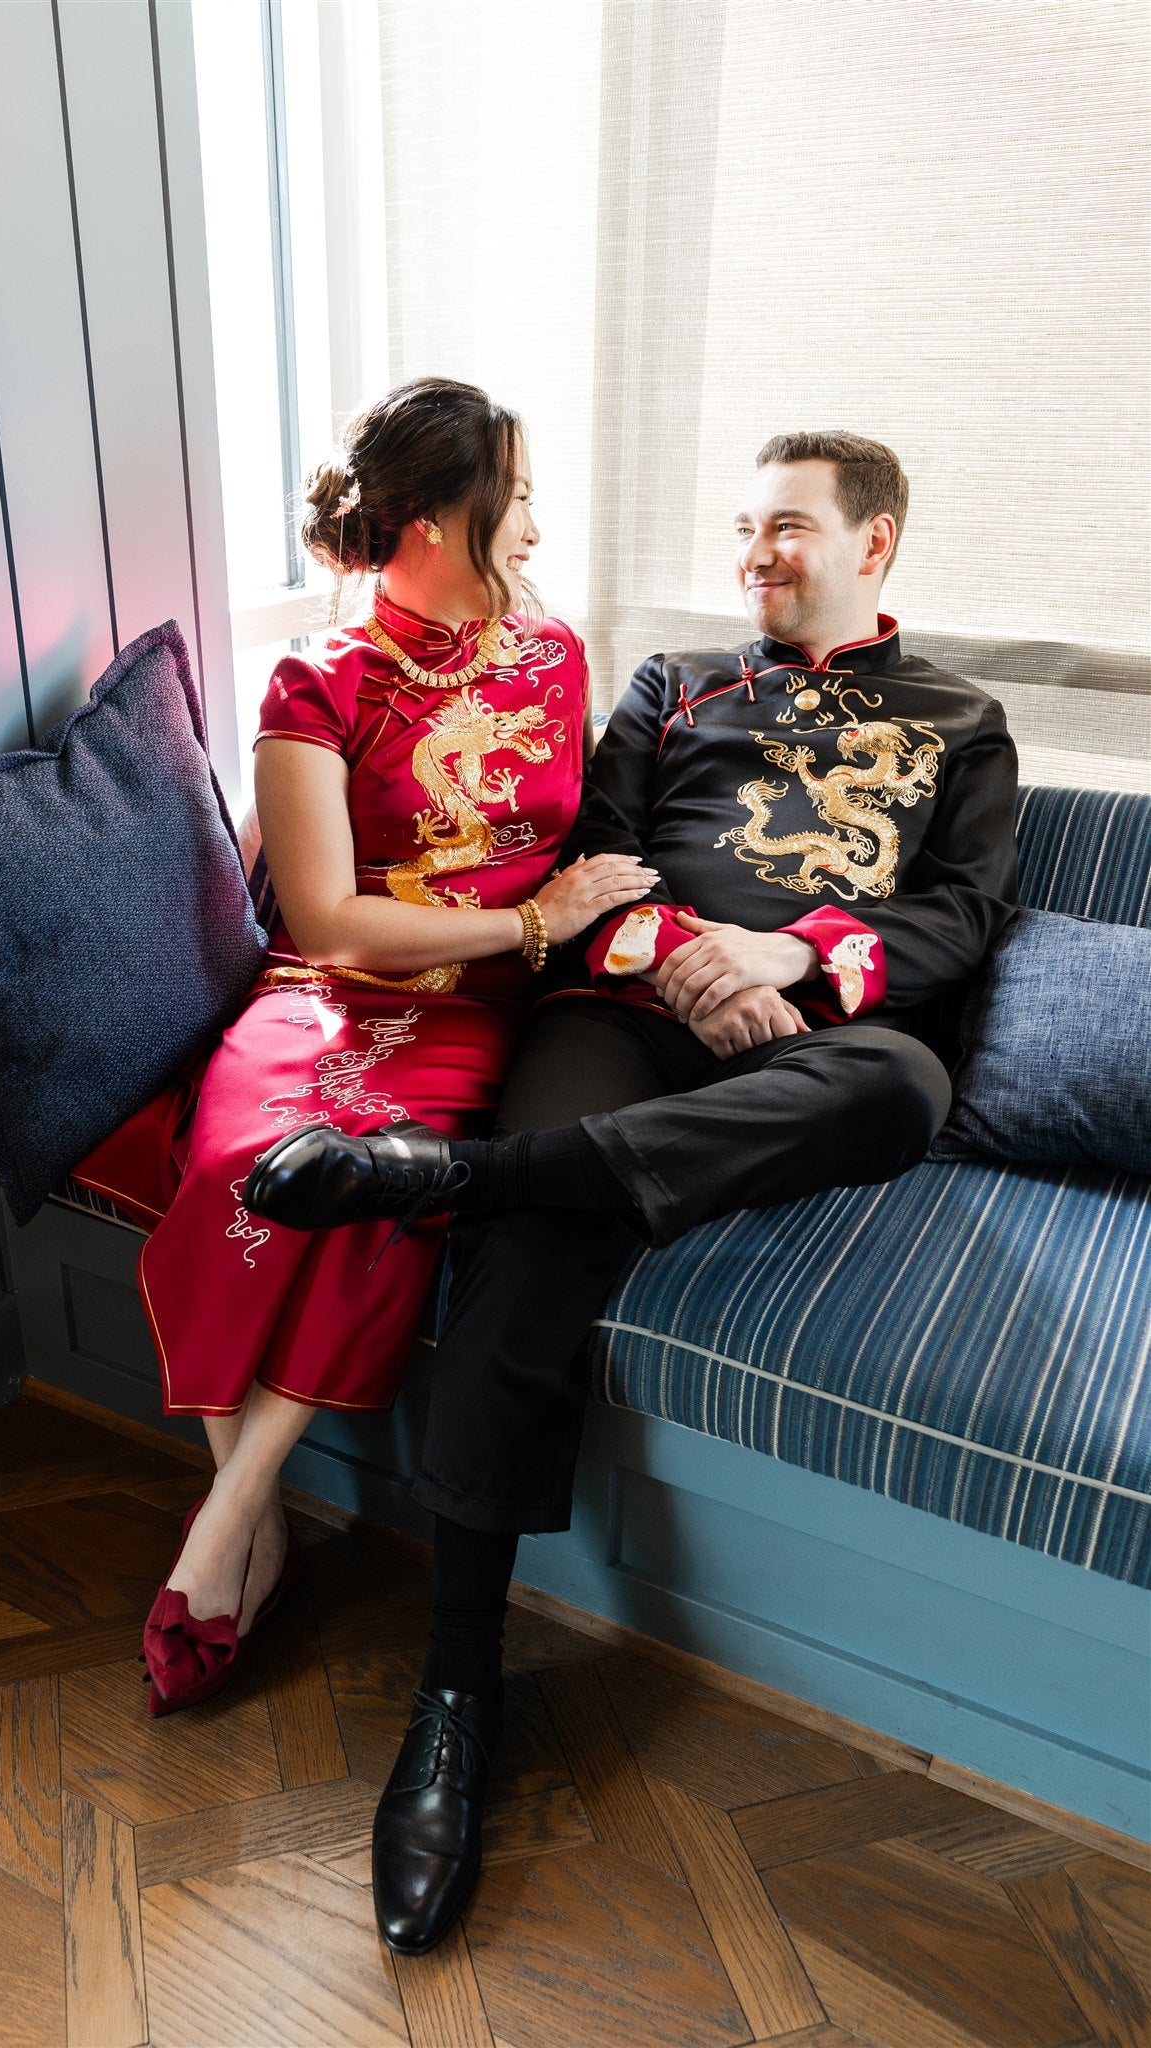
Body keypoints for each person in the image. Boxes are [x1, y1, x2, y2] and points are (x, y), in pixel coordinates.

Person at [244, 430, 1021, 1952]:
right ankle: (456, 1695)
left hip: (815, 1033)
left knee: (902, 1088)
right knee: (533, 1247)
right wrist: (673, 953)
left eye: (786, 527)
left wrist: (789, 955)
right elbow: (590, 858)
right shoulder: (672, 688)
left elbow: (962, 916)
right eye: (741, 527)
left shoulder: (961, 719)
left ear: (875, 542)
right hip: (627, 1010)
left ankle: (450, 1174)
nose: (753, 554)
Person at [110, 377, 653, 1716]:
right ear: (427, 520)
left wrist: (556, 928)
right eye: (512, 497)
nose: (532, 525)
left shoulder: (555, 655)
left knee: (369, 1186)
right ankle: (250, 1520)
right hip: (338, 988)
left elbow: (570, 834)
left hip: (478, 1007)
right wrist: (533, 916)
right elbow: (329, 916)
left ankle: (223, 1527)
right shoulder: (318, 683)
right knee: (243, 1152)